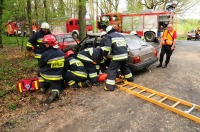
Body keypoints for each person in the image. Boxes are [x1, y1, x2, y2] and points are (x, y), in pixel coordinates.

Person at [102, 25, 133, 91]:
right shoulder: (121, 36)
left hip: (118, 57)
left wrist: (104, 55)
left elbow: (107, 48)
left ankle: (109, 87)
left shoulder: (109, 36)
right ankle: (130, 79)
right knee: (124, 67)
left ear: (108, 31)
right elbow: (126, 46)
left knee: (111, 70)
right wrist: (126, 54)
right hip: (125, 55)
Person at [38, 34, 65, 104]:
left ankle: (43, 87)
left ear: (49, 44)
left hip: (47, 75)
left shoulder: (46, 54)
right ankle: (55, 92)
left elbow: (40, 65)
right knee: (57, 86)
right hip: (58, 76)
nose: (45, 45)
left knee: (39, 72)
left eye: (46, 43)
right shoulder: (61, 53)